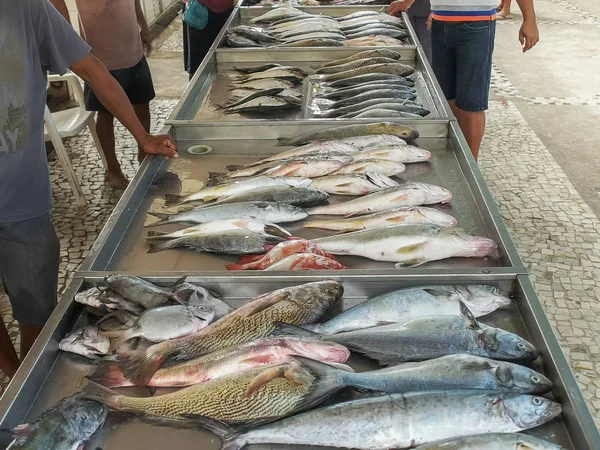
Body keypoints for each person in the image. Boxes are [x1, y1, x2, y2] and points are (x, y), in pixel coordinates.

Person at [0, 0, 178, 379]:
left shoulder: (26, 9)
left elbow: (93, 71)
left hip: (22, 196)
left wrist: (142, 135)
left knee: (37, 306)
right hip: (22, 193)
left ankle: (26, 377)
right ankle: (13, 378)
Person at [429, 0, 539, 159]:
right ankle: (457, 158)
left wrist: (529, 19)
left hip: (476, 23)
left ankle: (471, 169)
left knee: (471, 102)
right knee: (448, 97)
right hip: (440, 19)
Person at [68, 0, 155, 190]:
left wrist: (143, 27)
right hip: (100, 56)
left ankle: (144, 155)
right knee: (106, 114)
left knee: (142, 104)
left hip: (132, 47)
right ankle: (113, 168)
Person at [183, 0, 234, 80]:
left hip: (224, 10)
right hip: (201, 12)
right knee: (200, 61)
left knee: (222, 59)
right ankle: (198, 89)